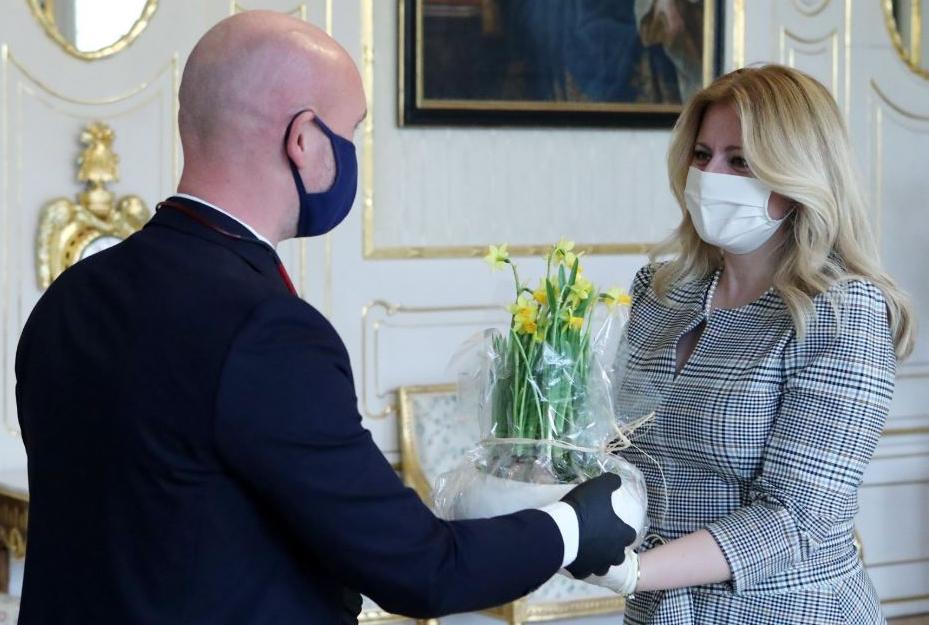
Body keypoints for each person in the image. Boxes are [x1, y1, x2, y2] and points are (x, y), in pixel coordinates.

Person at [13, 11, 639, 625]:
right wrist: (574, 525)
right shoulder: (267, 330)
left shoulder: (68, 299)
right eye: (353, 132)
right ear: (305, 140)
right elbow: (422, 572)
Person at [594, 65, 915, 623]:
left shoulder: (841, 313)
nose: (711, 175)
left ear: (797, 178)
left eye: (739, 160)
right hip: (660, 611)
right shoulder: (661, 289)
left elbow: (798, 518)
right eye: (702, 154)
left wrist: (636, 570)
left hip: (787, 610)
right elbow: (623, 451)